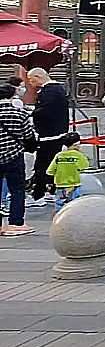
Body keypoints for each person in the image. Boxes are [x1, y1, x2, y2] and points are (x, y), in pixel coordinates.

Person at [27, 68, 69, 207]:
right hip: (57, 132)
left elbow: (45, 111)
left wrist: (31, 114)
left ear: (38, 77)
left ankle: (38, 195)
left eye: (32, 80)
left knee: (42, 165)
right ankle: (51, 191)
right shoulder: (57, 89)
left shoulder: (50, 92)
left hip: (50, 135)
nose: (31, 83)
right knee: (52, 165)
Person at [0, 83, 35, 235]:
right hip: (14, 155)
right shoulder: (19, 114)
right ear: (12, 95)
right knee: (17, 190)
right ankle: (16, 223)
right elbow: (28, 135)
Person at [46, 133, 88, 212]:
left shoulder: (59, 155)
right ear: (76, 144)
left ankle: (59, 216)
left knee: (60, 202)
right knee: (75, 203)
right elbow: (84, 166)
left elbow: (50, 170)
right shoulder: (78, 155)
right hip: (74, 183)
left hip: (60, 183)